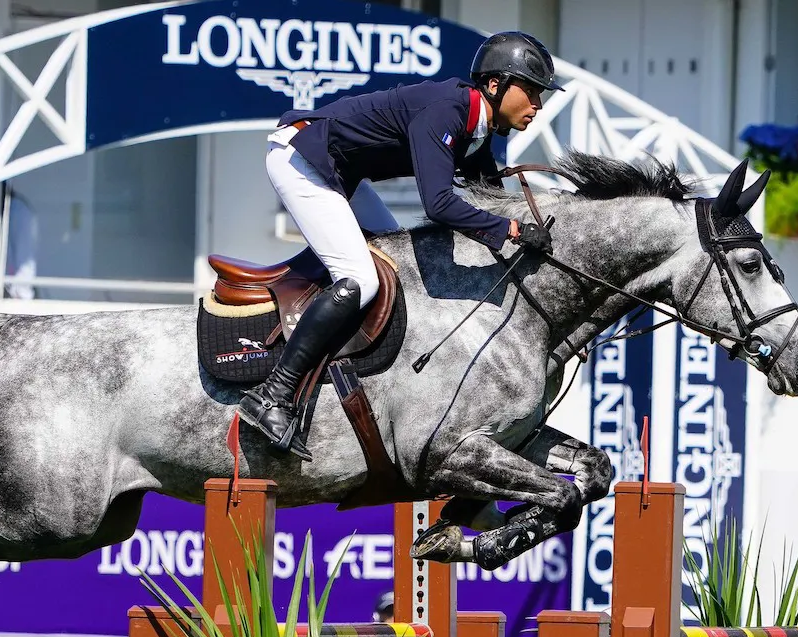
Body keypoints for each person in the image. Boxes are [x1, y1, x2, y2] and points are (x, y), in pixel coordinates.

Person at [238, 31, 562, 459]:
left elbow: (488, 196)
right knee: (361, 280)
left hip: (340, 175)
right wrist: (513, 231)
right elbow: (440, 204)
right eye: (532, 92)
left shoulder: (479, 129)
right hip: (302, 160)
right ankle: (272, 394)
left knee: (394, 266)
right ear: (495, 85)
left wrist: (528, 222)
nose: (538, 105)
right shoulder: (449, 110)